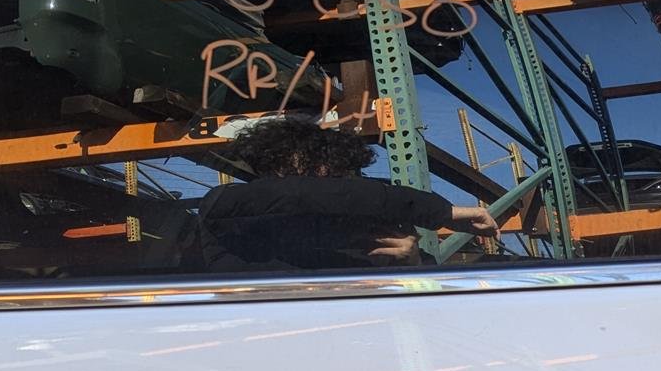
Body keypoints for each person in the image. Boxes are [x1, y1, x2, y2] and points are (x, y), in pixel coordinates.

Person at [190, 116, 497, 272]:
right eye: (325, 167)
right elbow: (305, 195)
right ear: (285, 161)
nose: (337, 180)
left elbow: (423, 299)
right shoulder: (225, 205)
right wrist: (441, 212)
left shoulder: (347, 224)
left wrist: (412, 263)